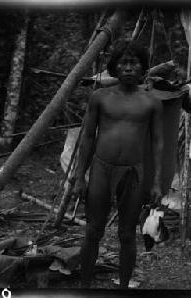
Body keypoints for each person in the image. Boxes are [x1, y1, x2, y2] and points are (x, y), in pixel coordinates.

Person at [72, 39, 163, 288]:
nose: (129, 68)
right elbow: (88, 137)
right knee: (92, 231)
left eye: (134, 63)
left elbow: (157, 143)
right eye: (123, 62)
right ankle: (85, 286)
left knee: (127, 234)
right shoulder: (100, 97)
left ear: (143, 67)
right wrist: (80, 176)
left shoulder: (152, 102)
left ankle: (123, 286)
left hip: (133, 172)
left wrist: (156, 183)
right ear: (114, 67)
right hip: (102, 168)